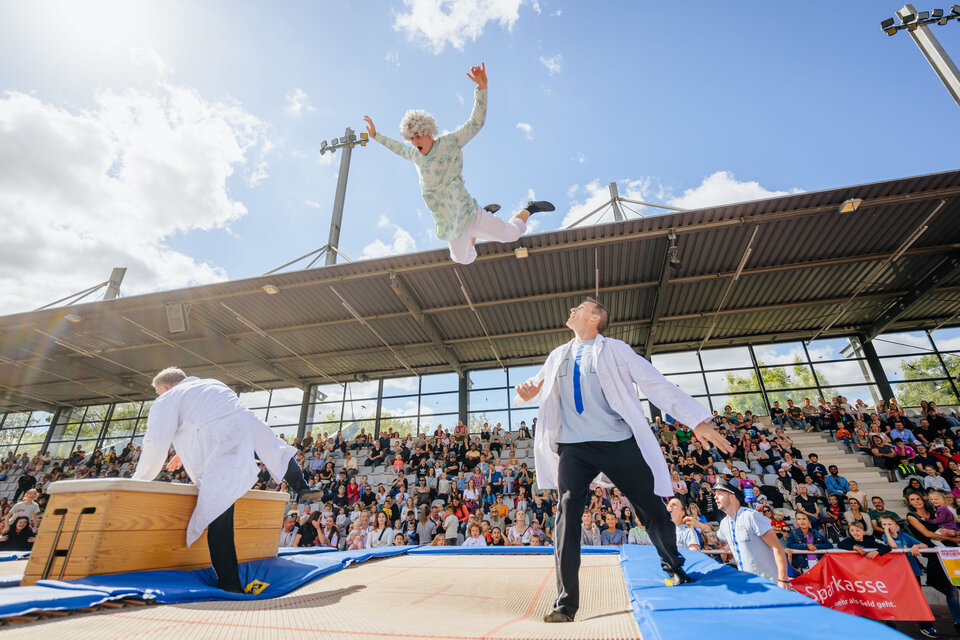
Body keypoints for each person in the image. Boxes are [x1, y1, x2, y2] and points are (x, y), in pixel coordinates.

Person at [514, 298, 733, 623]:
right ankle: (566, 603)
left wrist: (696, 420)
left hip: (618, 442)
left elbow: (655, 384)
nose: (572, 310)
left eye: (580, 308)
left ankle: (673, 567)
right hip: (573, 447)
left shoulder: (616, 350)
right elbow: (534, 386)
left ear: (595, 319)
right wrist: (528, 394)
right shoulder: (557, 355)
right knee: (567, 511)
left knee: (651, 507)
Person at [132, 367, 310, 592]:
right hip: (246, 424)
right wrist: (180, 452)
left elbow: (156, 442)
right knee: (276, 451)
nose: (160, 396)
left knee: (218, 513)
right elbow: (208, 418)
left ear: (165, 388)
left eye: (159, 393)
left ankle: (229, 582)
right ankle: (303, 487)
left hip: (220, 444)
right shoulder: (211, 383)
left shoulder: (168, 398)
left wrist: (140, 479)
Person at [363, 63, 554, 266]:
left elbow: (475, 123)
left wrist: (482, 88)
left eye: (419, 136)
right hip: (450, 225)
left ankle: (529, 208)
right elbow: (396, 148)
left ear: (428, 132)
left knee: (513, 235)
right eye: (412, 138)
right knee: (462, 259)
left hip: (469, 213)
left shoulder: (450, 143)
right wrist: (376, 136)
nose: (416, 142)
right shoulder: (413, 154)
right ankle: (474, 237)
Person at [713, 480, 790, 586]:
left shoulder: (751, 516)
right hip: (748, 584)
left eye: (719, 494)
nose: (715, 497)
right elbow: (719, 542)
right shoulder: (724, 523)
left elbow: (777, 547)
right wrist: (700, 526)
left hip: (769, 583)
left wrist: (783, 579)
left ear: (732, 496)